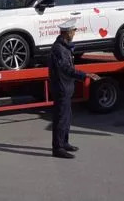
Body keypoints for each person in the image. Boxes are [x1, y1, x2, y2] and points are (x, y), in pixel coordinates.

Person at [49, 18, 100, 159]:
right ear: (67, 32)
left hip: (66, 87)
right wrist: (84, 75)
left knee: (67, 117)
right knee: (61, 118)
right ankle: (57, 148)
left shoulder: (65, 46)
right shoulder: (59, 48)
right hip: (61, 88)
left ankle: (64, 142)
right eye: (73, 31)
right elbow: (66, 69)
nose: (74, 33)